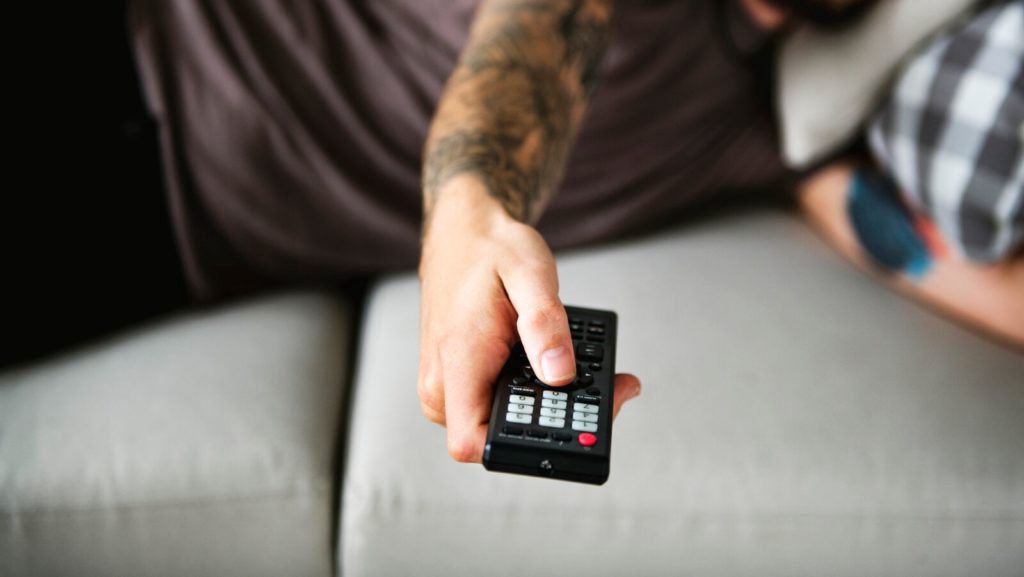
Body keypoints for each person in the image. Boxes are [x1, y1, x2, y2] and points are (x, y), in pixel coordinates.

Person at [8, 1, 1019, 464]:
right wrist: (474, 210)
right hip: (121, 58)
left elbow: (914, 248)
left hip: (167, 235)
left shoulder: (772, 134)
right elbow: (528, 49)